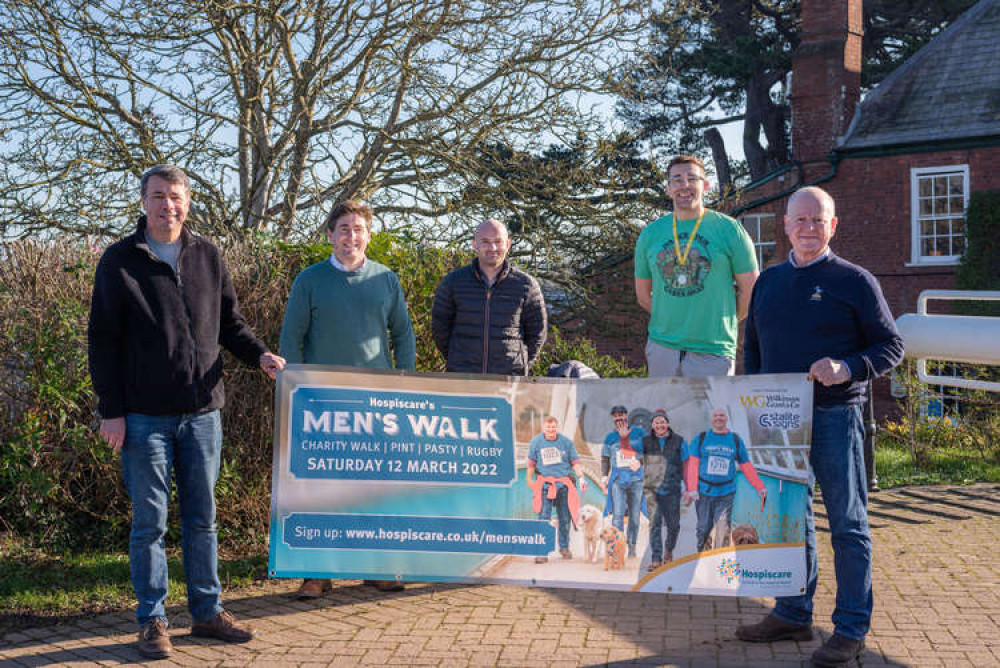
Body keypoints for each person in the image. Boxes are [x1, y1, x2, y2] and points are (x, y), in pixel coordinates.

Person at [87, 164, 286, 660]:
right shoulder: (119, 262)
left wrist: (258, 354)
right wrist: (112, 411)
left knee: (202, 519)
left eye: (175, 196)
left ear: (188, 202)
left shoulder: (207, 256)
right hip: (143, 417)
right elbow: (102, 341)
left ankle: (206, 612)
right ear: (143, 202)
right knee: (149, 522)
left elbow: (231, 324)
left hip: (202, 414)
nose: (167, 205)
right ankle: (152, 620)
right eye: (157, 196)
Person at [736, 186, 904, 668]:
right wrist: (752, 397)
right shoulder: (767, 281)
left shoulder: (855, 280)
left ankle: (851, 629)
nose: (808, 228)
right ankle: (792, 611)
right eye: (800, 219)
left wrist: (847, 367)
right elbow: (754, 347)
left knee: (848, 525)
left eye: (818, 220)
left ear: (833, 226)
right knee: (789, 519)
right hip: (777, 419)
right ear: (785, 225)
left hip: (834, 415)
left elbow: (891, 346)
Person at [279, 199, 416, 598]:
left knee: (373, 487)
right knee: (325, 488)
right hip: (323, 404)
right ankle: (318, 573)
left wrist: (402, 382)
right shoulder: (309, 280)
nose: (350, 236)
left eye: (358, 229)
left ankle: (376, 568)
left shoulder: (386, 279)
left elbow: (403, 335)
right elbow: (292, 338)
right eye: (343, 229)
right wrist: (298, 390)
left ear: (369, 235)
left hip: (376, 404)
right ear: (329, 235)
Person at [634, 155, 759, 377]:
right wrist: (672, 316)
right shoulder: (650, 234)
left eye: (692, 178)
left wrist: (721, 319)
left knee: (711, 413)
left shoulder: (730, 230)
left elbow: (752, 291)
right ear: (668, 188)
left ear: (706, 185)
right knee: (664, 412)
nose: (685, 185)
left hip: (713, 350)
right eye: (677, 180)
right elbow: (643, 296)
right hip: (663, 348)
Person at [431, 218, 547, 374]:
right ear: (474, 245)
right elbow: (440, 329)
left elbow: (538, 334)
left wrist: (519, 363)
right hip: (462, 379)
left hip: (509, 381)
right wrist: (458, 360)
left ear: (508, 244)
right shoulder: (453, 282)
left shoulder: (526, 286)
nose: (492, 247)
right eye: (485, 241)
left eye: (498, 241)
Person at [683, 408, 767, 552]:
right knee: (703, 528)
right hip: (703, 492)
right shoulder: (701, 438)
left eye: (721, 415)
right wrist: (692, 489)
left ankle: (719, 560)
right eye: (716, 415)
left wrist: (760, 487)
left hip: (726, 492)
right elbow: (693, 465)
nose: (718, 418)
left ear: (726, 419)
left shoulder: (735, 439)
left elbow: (746, 465)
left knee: (723, 529)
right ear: (712, 419)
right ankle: (703, 554)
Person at [526, 415, 588, 563]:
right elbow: (531, 464)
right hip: (545, 485)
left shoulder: (566, 442)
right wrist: (529, 480)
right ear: (544, 428)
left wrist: (581, 477)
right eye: (548, 427)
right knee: (544, 518)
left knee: (564, 518)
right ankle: (542, 552)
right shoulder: (536, 442)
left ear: (556, 427)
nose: (551, 429)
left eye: (553, 427)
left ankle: (564, 547)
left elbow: (575, 463)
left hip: (564, 485)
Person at [641, 409, 685, 569]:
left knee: (674, 525)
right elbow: (634, 455)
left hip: (672, 489)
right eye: (656, 422)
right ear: (652, 425)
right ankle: (656, 559)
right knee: (654, 524)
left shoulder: (679, 441)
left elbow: (687, 464)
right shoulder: (645, 441)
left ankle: (669, 550)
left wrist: (688, 488)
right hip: (652, 489)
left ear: (667, 423)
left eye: (662, 422)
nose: (660, 425)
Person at [601, 406, 645, 558]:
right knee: (618, 514)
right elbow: (605, 458)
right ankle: (615, 546)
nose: (618, 418)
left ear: (627, 415)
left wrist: (640, 461)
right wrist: (604, 477)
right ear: (612, 418)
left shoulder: (639, 433)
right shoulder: (609, 437)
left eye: (621, 415)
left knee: (634, 516)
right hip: (617, 480)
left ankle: (632, 546)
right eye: (615, 416)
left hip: (636, 480)